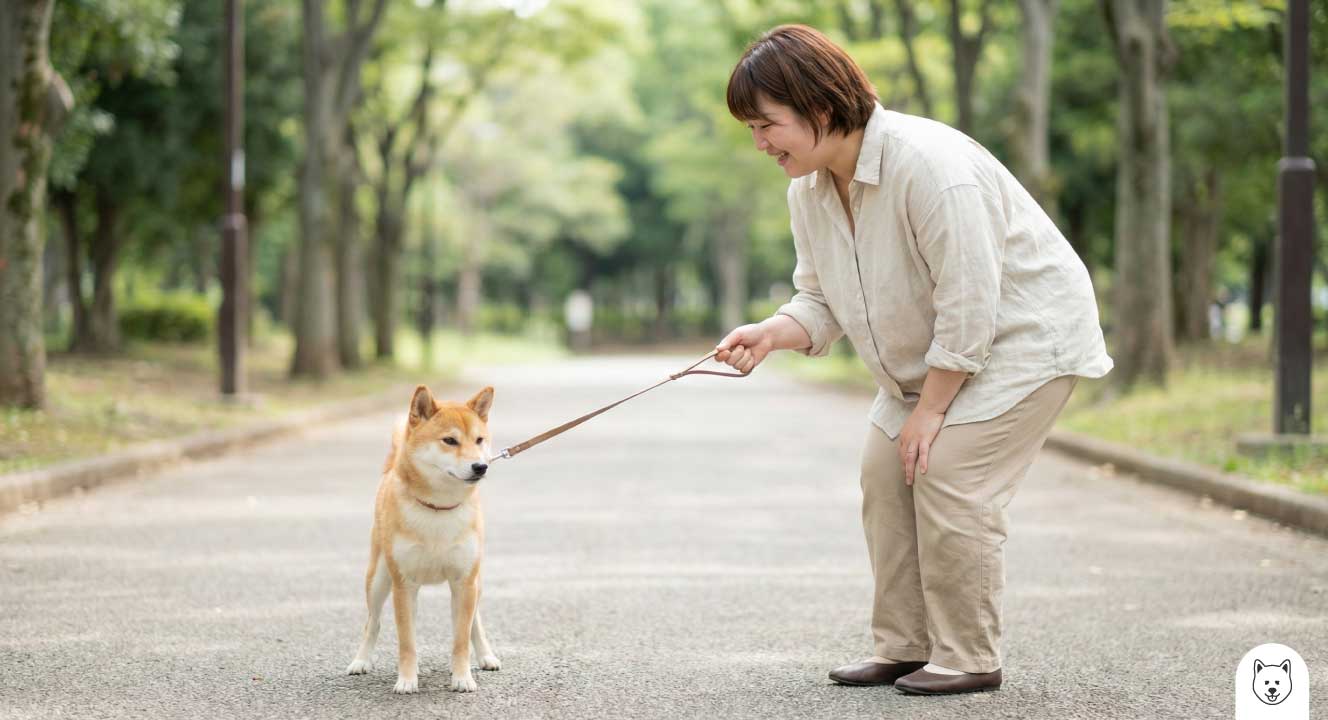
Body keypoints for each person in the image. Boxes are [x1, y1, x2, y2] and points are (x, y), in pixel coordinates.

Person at [714, 25, 1113, 696]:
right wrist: (772, 333)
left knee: (947, 473)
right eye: (752, 129)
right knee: (882, 475)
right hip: (938, 353)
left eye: (766, 125)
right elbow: (822, 296)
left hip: (1023, 341)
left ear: (817, 106)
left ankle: (968, 656)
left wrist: (931, 410)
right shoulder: (808, 191)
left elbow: (970, 299)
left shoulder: (928, 165)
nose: (758, 143)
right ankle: (904, 646)